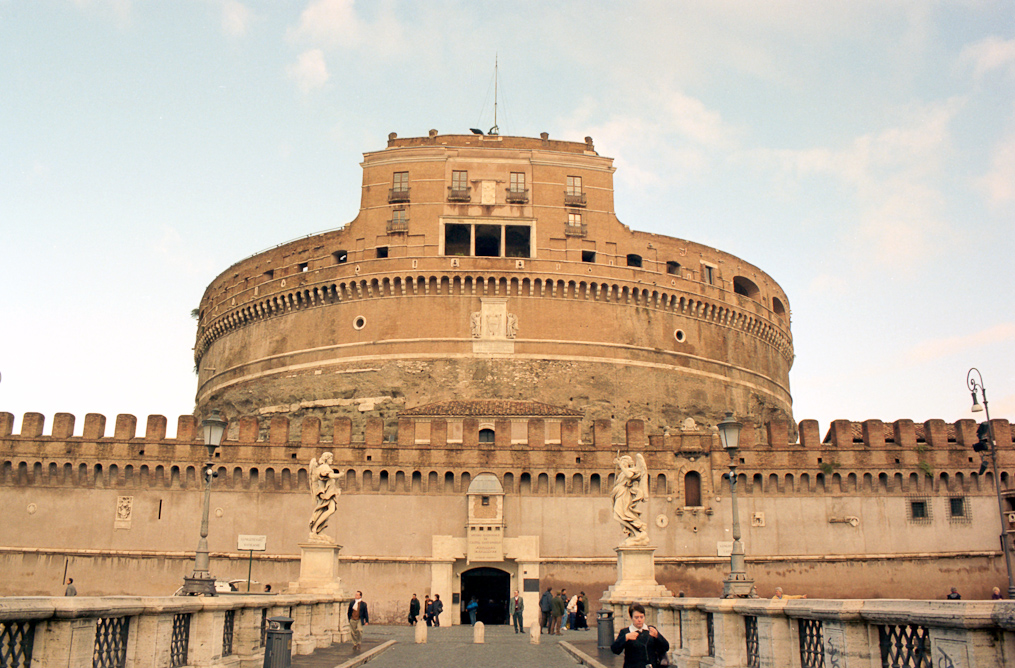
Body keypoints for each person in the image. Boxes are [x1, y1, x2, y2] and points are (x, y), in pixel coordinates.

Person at [611, 603, 669, 668]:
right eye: (636, 617)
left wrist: (657, 636)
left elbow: (666, 647)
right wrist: (625, 638)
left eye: (641, 617)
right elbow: (615, 650)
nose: (639, 620)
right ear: (631, 618)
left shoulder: (651, 630)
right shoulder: (625, 632)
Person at [308, 452, 342, 537]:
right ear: (326, 459)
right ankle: (315, 528)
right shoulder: (324, 467)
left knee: (330, 509)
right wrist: (340, 474)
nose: (332, 460)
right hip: (325, 494)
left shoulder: (325, 467)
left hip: (329, 493)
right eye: (331, 458)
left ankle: (317, 529)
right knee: (330, 509)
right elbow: (330, 475)